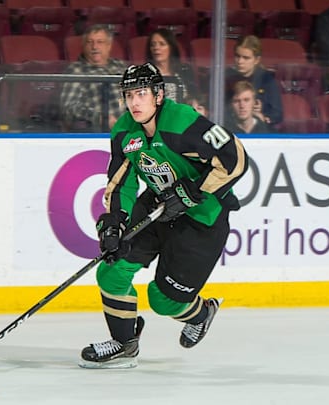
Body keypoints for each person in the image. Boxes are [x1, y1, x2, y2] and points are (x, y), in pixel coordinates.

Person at [79, 62, 249, 369]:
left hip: (202, 218)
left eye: (141, 93)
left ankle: (202, 313)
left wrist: (192, 191)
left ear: (158, 95)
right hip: (157, 205)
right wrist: (115, 222)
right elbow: (122, 182)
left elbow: (234, 159)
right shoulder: (124, 132)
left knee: (164, 299)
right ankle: (124, 343)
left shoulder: (182, 121)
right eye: (129, 94)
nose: (134, 102)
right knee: (112, 270)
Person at [60, 24, 126, 132]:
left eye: (100, 42)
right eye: (89, 42)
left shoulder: (120, 66)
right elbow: (69, 107)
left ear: (109, 45)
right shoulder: (76, 70)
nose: (94, 47)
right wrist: (100, 118)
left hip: (130, 128)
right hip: (99, 131)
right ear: (83, 46)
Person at [225, 35, 283, 125]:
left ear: (257, 60)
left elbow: (277, 114)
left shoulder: (266, 79)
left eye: (246, 58)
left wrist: (262, 116)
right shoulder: (226, 77)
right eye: (237, 56)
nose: (240, 61)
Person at [144, 28, 198, 105]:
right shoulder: (144, 74)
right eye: (153, 45)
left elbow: (194, 98)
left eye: (162, 44)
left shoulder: (184, 71)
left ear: (171, 47)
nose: (156, 48)